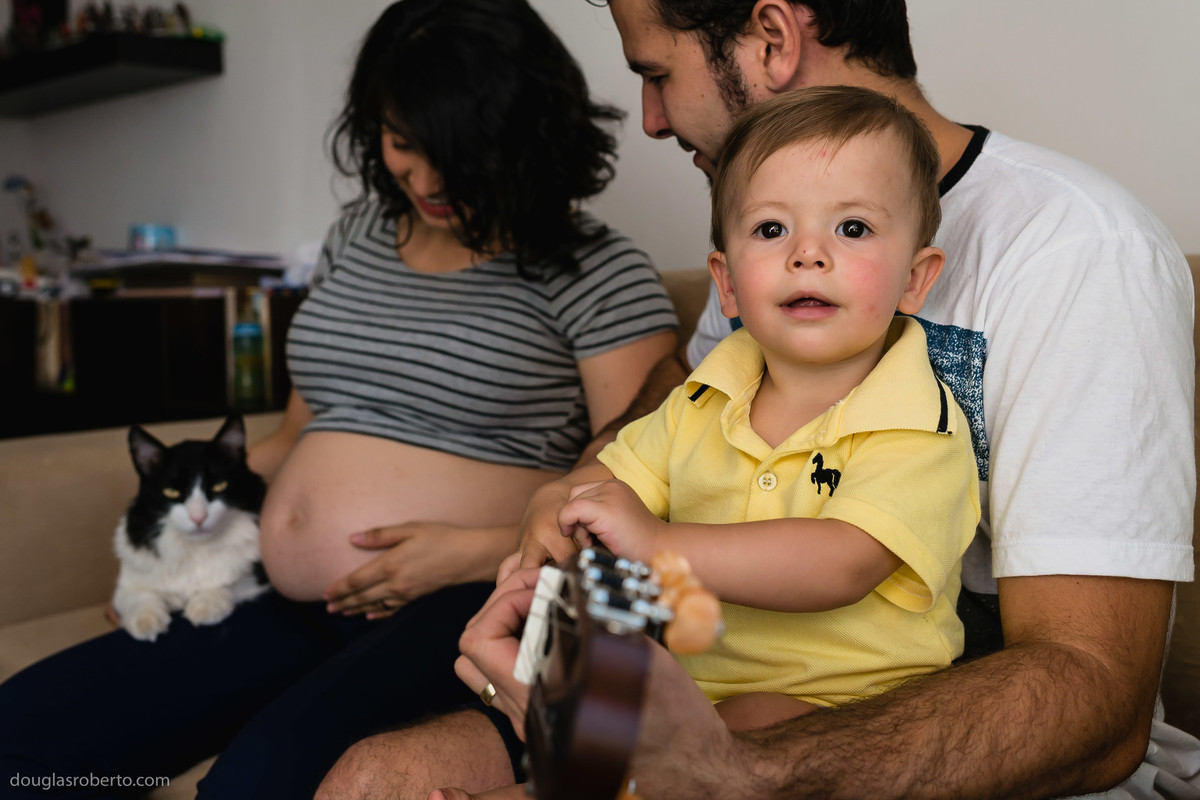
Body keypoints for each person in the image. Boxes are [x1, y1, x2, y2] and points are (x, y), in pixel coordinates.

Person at [320, 1, 1198, 798]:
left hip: (914, 723)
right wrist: (572, 513)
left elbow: (1093, 694)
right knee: (378, 776)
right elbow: (678, 416)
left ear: (773, 40)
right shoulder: (773, 262)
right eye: (771, 233)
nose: (651, 119)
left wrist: (728, 767)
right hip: (700, 681)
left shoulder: (1078, 249)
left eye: (656, 74)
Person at [0, 1, 677, 798]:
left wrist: (470, 548)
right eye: (402, 145)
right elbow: (296, 431)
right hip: (290, 599)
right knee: (24, 739)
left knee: (258, 780)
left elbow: (637, 484)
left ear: (521, 137)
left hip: (458, 600)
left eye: (454, 155)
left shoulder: (596, 271)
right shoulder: (356, 233)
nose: (425, 181)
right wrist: (171, 546)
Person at [534, 85, 980, 732]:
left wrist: (657, 544)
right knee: (573, 726)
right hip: (691, 699)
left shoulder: (918, 423)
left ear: (915, 279)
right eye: (771, 229)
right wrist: (556, 513)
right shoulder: (697, 402)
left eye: (852, 228)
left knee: (739, 726)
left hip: (858, 711)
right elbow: (608, 486)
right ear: (727, 283)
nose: (807, 252)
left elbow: (842, 561)